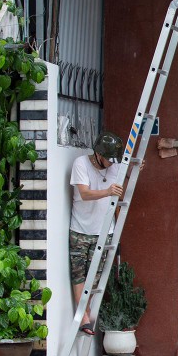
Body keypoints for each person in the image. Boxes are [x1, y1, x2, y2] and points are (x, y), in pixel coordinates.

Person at [69, 131, 125, 336]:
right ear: (98, 154)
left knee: (96, 275)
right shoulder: (81, 164)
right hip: (80, 229)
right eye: (108, 160)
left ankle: (85, 310)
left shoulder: (115, 166)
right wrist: (108, 192)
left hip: (104, 230)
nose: (111, 164)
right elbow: (84, 193)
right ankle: (83, 316)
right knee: (78, 273)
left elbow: (127, 172)